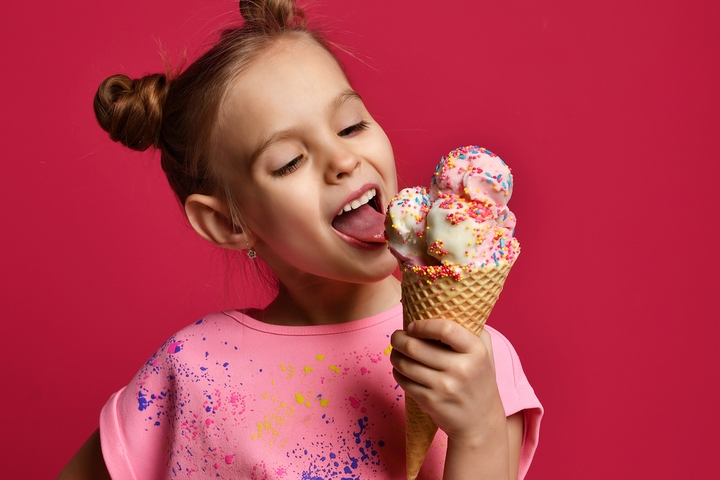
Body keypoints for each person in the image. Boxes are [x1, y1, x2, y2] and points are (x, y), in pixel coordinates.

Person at [59, 1, 542, 478]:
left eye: (351, 126)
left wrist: (477, 433)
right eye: (290, 160)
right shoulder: (194, 369)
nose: (343, 160)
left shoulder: (473, 363)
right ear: (229, 223)